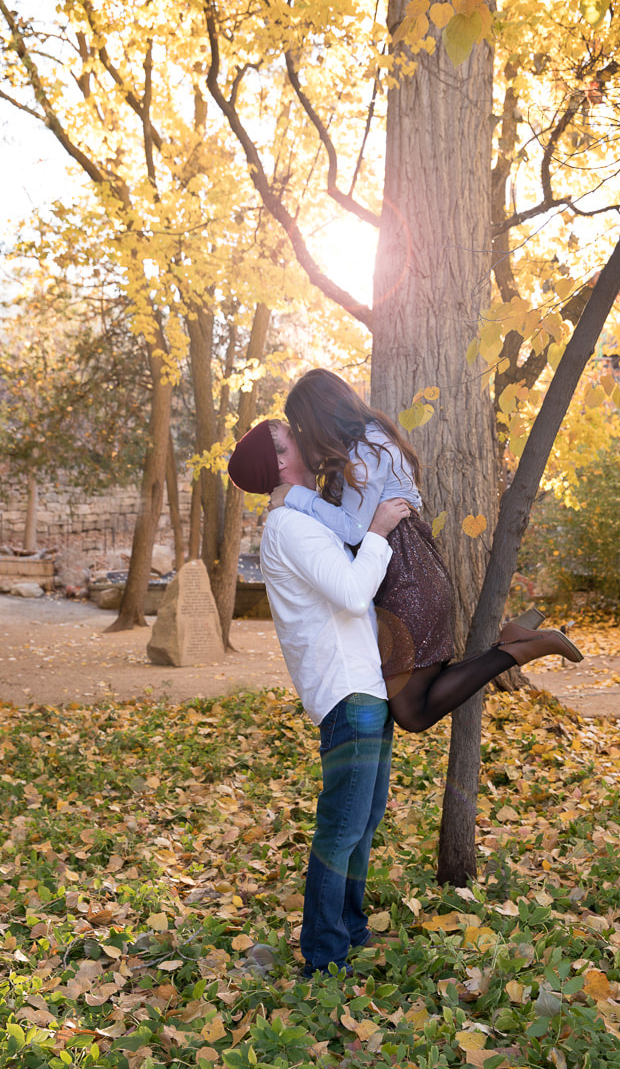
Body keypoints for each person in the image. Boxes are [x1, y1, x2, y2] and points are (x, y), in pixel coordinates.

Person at [270, 368, 582, 733]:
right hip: (408, 569)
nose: (305, 439)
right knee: (416, 698)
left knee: (411, 711)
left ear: (318, 416)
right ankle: (512, 643)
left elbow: (353, 528)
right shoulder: (369, 439)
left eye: (302, 428)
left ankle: (515, 650)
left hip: (405, 575)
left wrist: (297, 497)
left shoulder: (364, 452)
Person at [227, 418, 409, 978]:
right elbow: (355, 594)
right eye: (288, 439)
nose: (302, 440)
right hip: (345, 689)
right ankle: (324, 958)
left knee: (365, 820)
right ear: (281, 461)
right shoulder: (289, 527)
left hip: (365, 685)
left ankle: (350, 931)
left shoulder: (301, 513)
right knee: (342, 826)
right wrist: (378, 528)